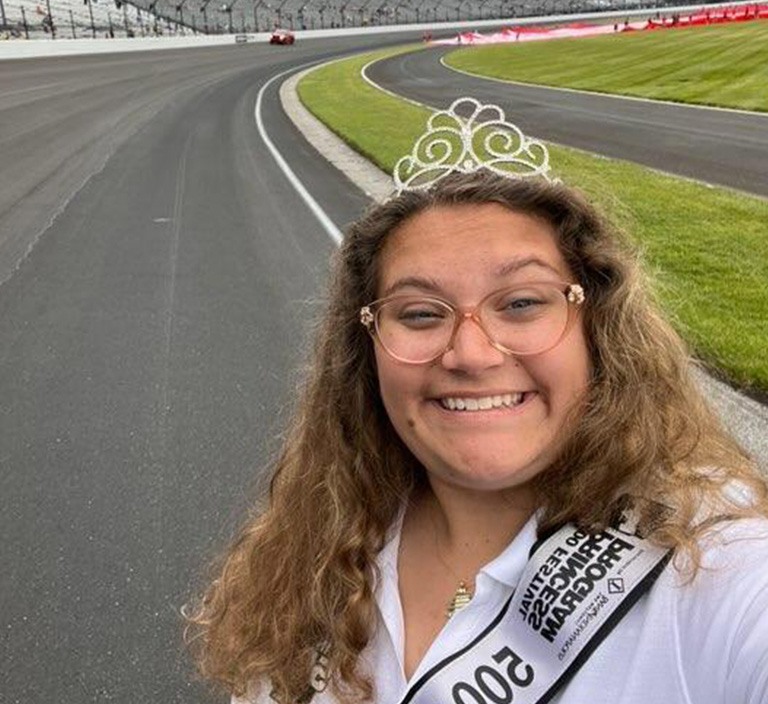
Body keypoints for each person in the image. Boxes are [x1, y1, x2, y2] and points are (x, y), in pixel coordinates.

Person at [186, 99, 768, 704]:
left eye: (521, 303)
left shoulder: (719, 565)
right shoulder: (321, 550)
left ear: (598, 328)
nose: (471, 353)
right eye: (420, 313)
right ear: (369, 348)